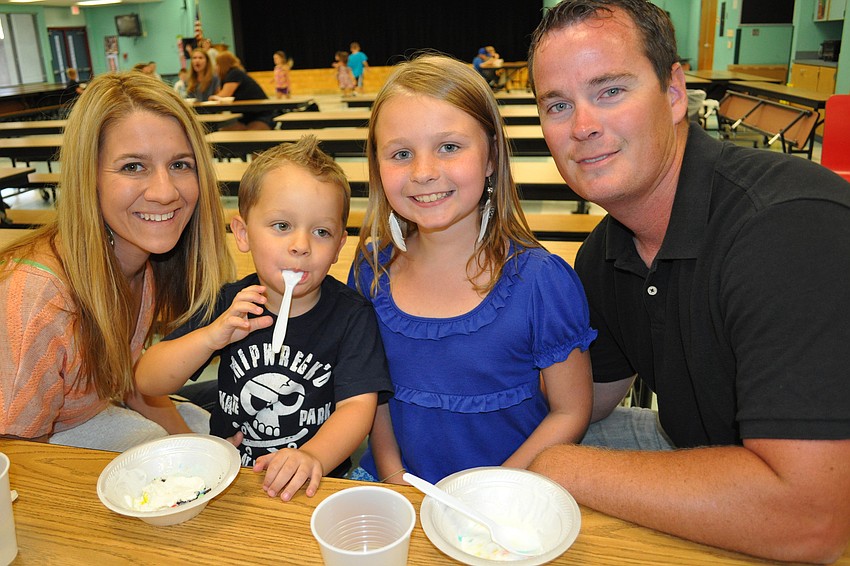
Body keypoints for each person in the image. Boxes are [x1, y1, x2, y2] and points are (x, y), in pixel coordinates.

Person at [526, 1, 850, 562]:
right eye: (558, 104)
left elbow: (813, 519)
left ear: (674, 92)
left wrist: (561, 468)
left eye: (610, 91)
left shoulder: (789, 226)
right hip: (717, 455)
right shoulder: (605, 253)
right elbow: (583, 400)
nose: (582, 126)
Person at [350, 54, 595, 485]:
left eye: (449, 147)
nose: (424, 172)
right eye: (401, 153)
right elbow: (373, 398)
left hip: (504, 498)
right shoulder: (371, 273)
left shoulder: (541, 282)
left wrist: (487, 493)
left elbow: (570, 411)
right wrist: (395, 478)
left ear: (491, 157)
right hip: (397, 492)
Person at [136, 136, 392, 501]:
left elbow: (357, 407)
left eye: (321, 232)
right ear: (243, 234)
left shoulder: (352, 317)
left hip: (313, 484)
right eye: (282, 226)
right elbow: (149, 379)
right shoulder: (227, 304)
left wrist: (312, 457)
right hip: (229, 477)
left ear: (338, 247)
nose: (301, 245)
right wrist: (212, 337)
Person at [0, 72, 234, 452]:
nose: (165, 192)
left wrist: (198, 450)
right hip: (33, 450)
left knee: (221, 432)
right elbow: (17, 453)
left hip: (96, 413)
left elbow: (131, 383)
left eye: (180, 164)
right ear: (89, 177)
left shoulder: (143, 262)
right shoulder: (39, 299)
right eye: (133, 167)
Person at [213, 51, 274, 130]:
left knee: (251, 134)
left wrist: (213, 97)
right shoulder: (229, 75)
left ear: (222, 64)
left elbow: (224, 95)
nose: (215, 67)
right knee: (223, 132)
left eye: (217, 64)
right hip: (245, 116)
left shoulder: (234, 73)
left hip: (261, 114)